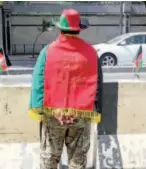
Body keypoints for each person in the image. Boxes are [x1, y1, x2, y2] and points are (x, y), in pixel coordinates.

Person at [28, 9, 103, 169]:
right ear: (79, 29)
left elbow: (38, 82)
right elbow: (97, 85)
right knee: (78, 160)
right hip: (81, 116)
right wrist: (93, 110)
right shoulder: (91, 53)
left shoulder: (47, 51)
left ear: (60, 28)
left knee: (49, 159)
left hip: (53, 115)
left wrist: (43, 110)